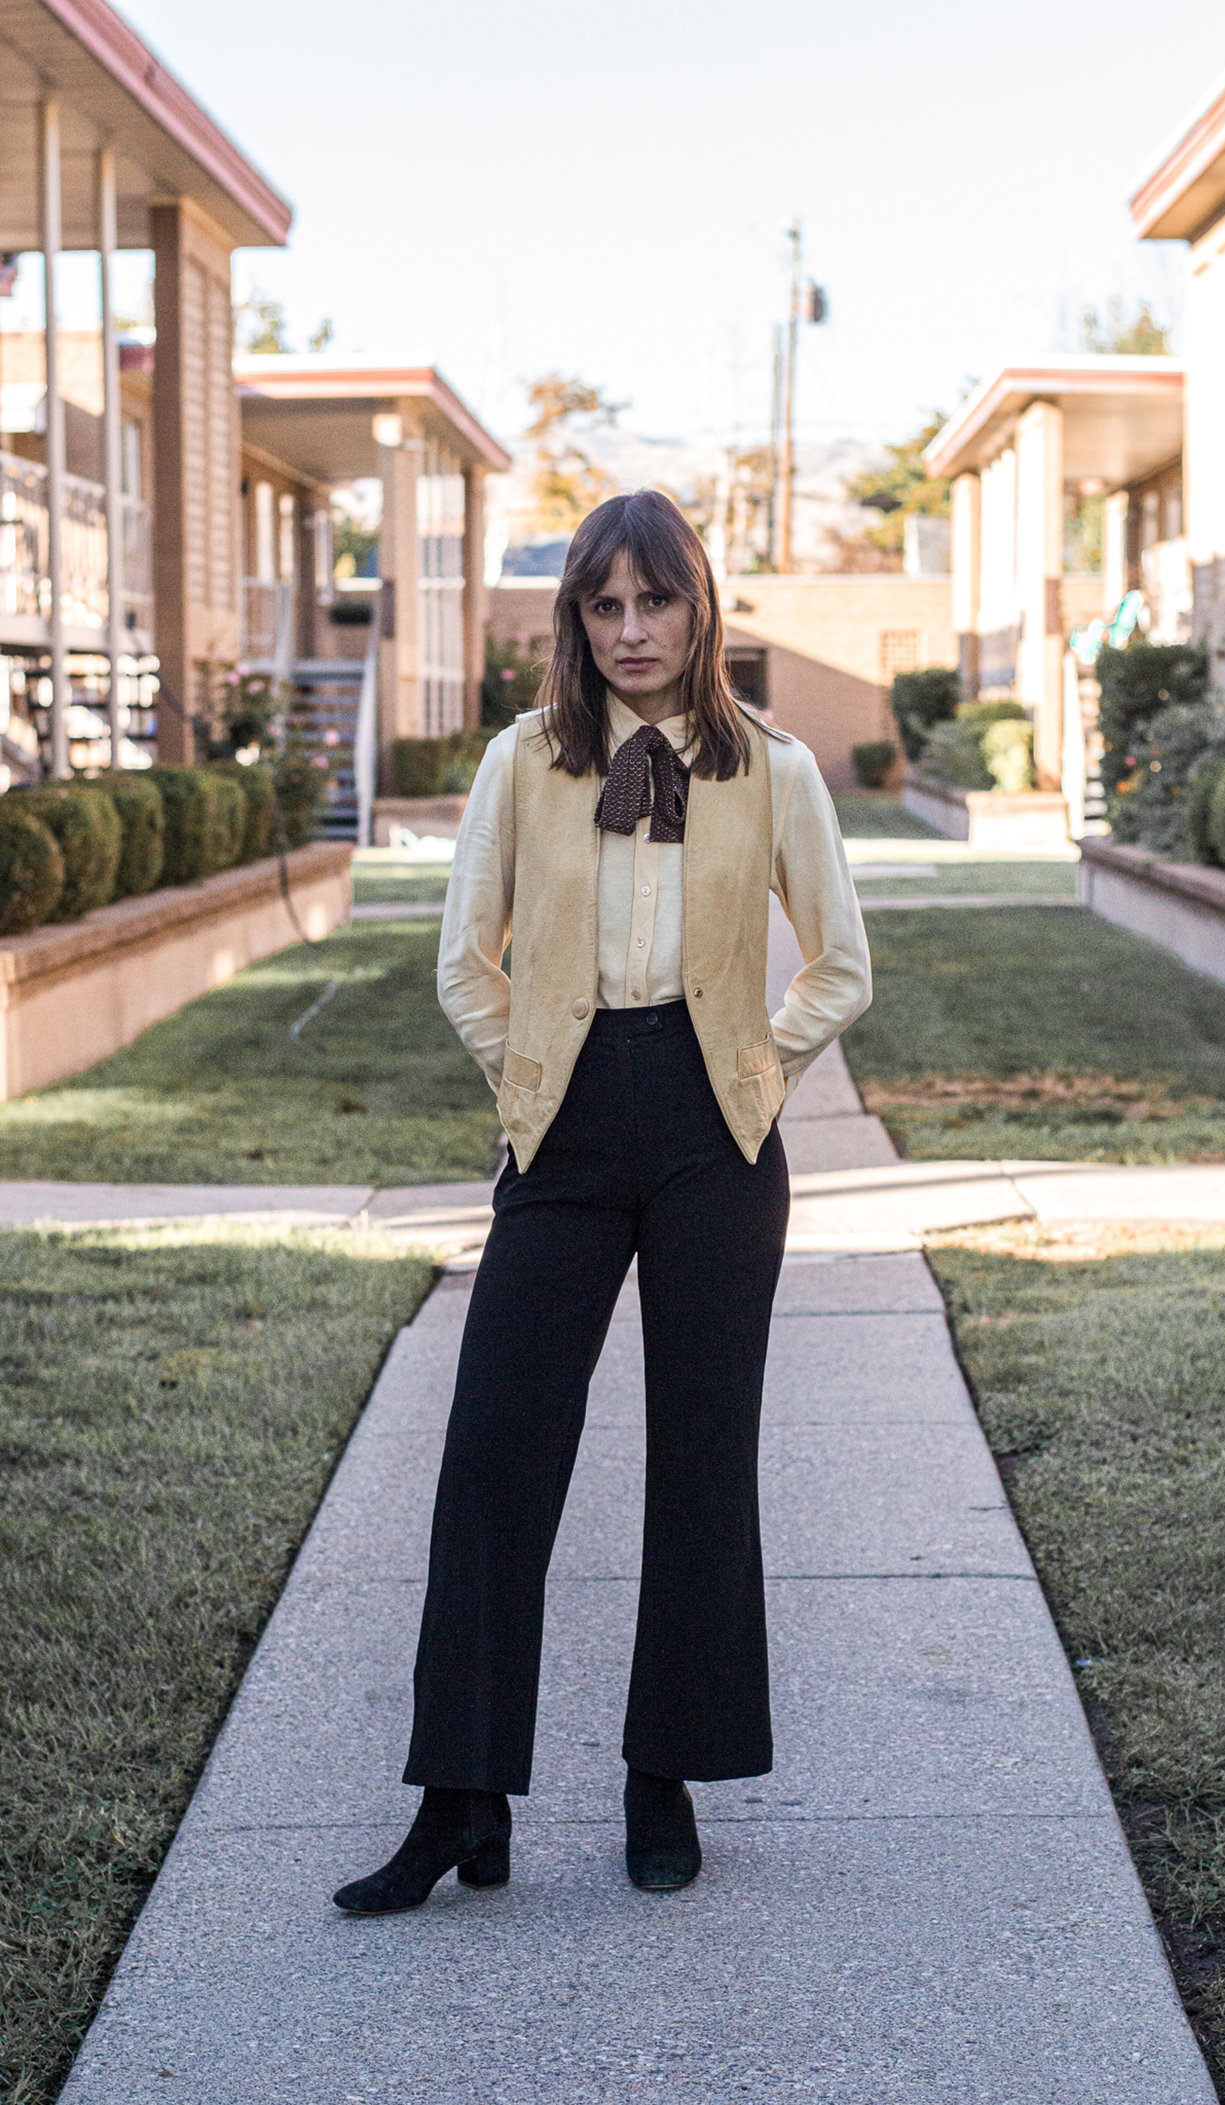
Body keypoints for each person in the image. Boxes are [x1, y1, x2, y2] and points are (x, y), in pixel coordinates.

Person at [333, 488, 870, 1914]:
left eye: (657, 600)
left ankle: (663, 1776)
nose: (632, 629)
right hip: (562, 1130)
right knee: (494, 1454)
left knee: (701, 1458)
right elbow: (465, 960)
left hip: (715, 1136)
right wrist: (529, 1085)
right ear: (576, 618)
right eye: (604, 604)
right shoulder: (523, 761)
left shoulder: (774, 767)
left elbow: (841, 966)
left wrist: (753, 1072)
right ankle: (462, 1799)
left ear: (701, 608)